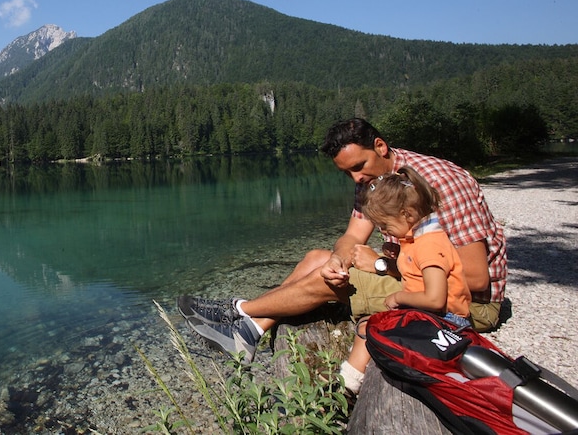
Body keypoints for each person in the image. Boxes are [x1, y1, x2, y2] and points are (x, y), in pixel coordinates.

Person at [178, 118, 506, 361]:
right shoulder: (374, 181)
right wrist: (338, 259)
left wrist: (383, 265)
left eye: (359, 167)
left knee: (328, 282)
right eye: (347, 173)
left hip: (463, 306)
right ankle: (249, 331)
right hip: (420, 279)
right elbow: (352, 236)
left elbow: (477, 278)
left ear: (380, 147)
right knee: (318, 260)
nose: (356, 179)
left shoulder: (438, 183)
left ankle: (238, 311)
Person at [338, 166, 471, 396]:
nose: (384, 230)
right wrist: (399, 256)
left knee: (370, 326)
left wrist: (399, 297)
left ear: (407, 215)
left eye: (386, 225)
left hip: (447, 322)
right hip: (432, 316)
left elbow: (435, 299)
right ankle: (354, 378)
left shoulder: (430, 245)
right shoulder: (418, 238)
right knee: (370, 323)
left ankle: (347, 387)